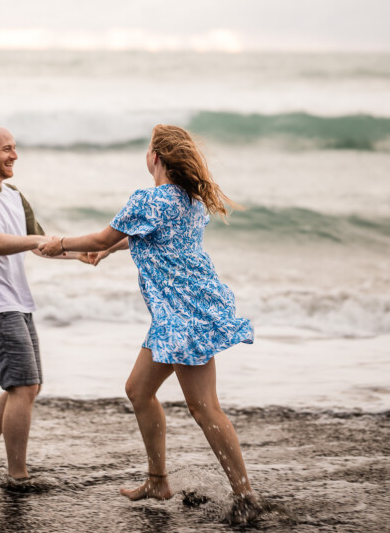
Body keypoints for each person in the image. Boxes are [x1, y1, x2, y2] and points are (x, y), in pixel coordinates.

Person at [39, 123, 260, 523]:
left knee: (204, 407)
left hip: (182, 315)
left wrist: (62, 243)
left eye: (147, 149)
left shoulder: (150, 199)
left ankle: (246, 496)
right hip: (186, 309)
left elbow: (101, 235)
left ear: (155, 157)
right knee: (139, 390)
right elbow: (144, 237)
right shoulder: (188, 199)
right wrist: (109, 252)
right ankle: (158, 480)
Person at [0, 125, 88, 487]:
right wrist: (41, 240)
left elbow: (41, 245)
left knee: (26, 387)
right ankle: (18, 476)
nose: (14, 155)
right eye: (7, 149)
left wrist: (81, 253)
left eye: (15, 148)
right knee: (23, 387)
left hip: (16, 302)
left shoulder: (13, 195)